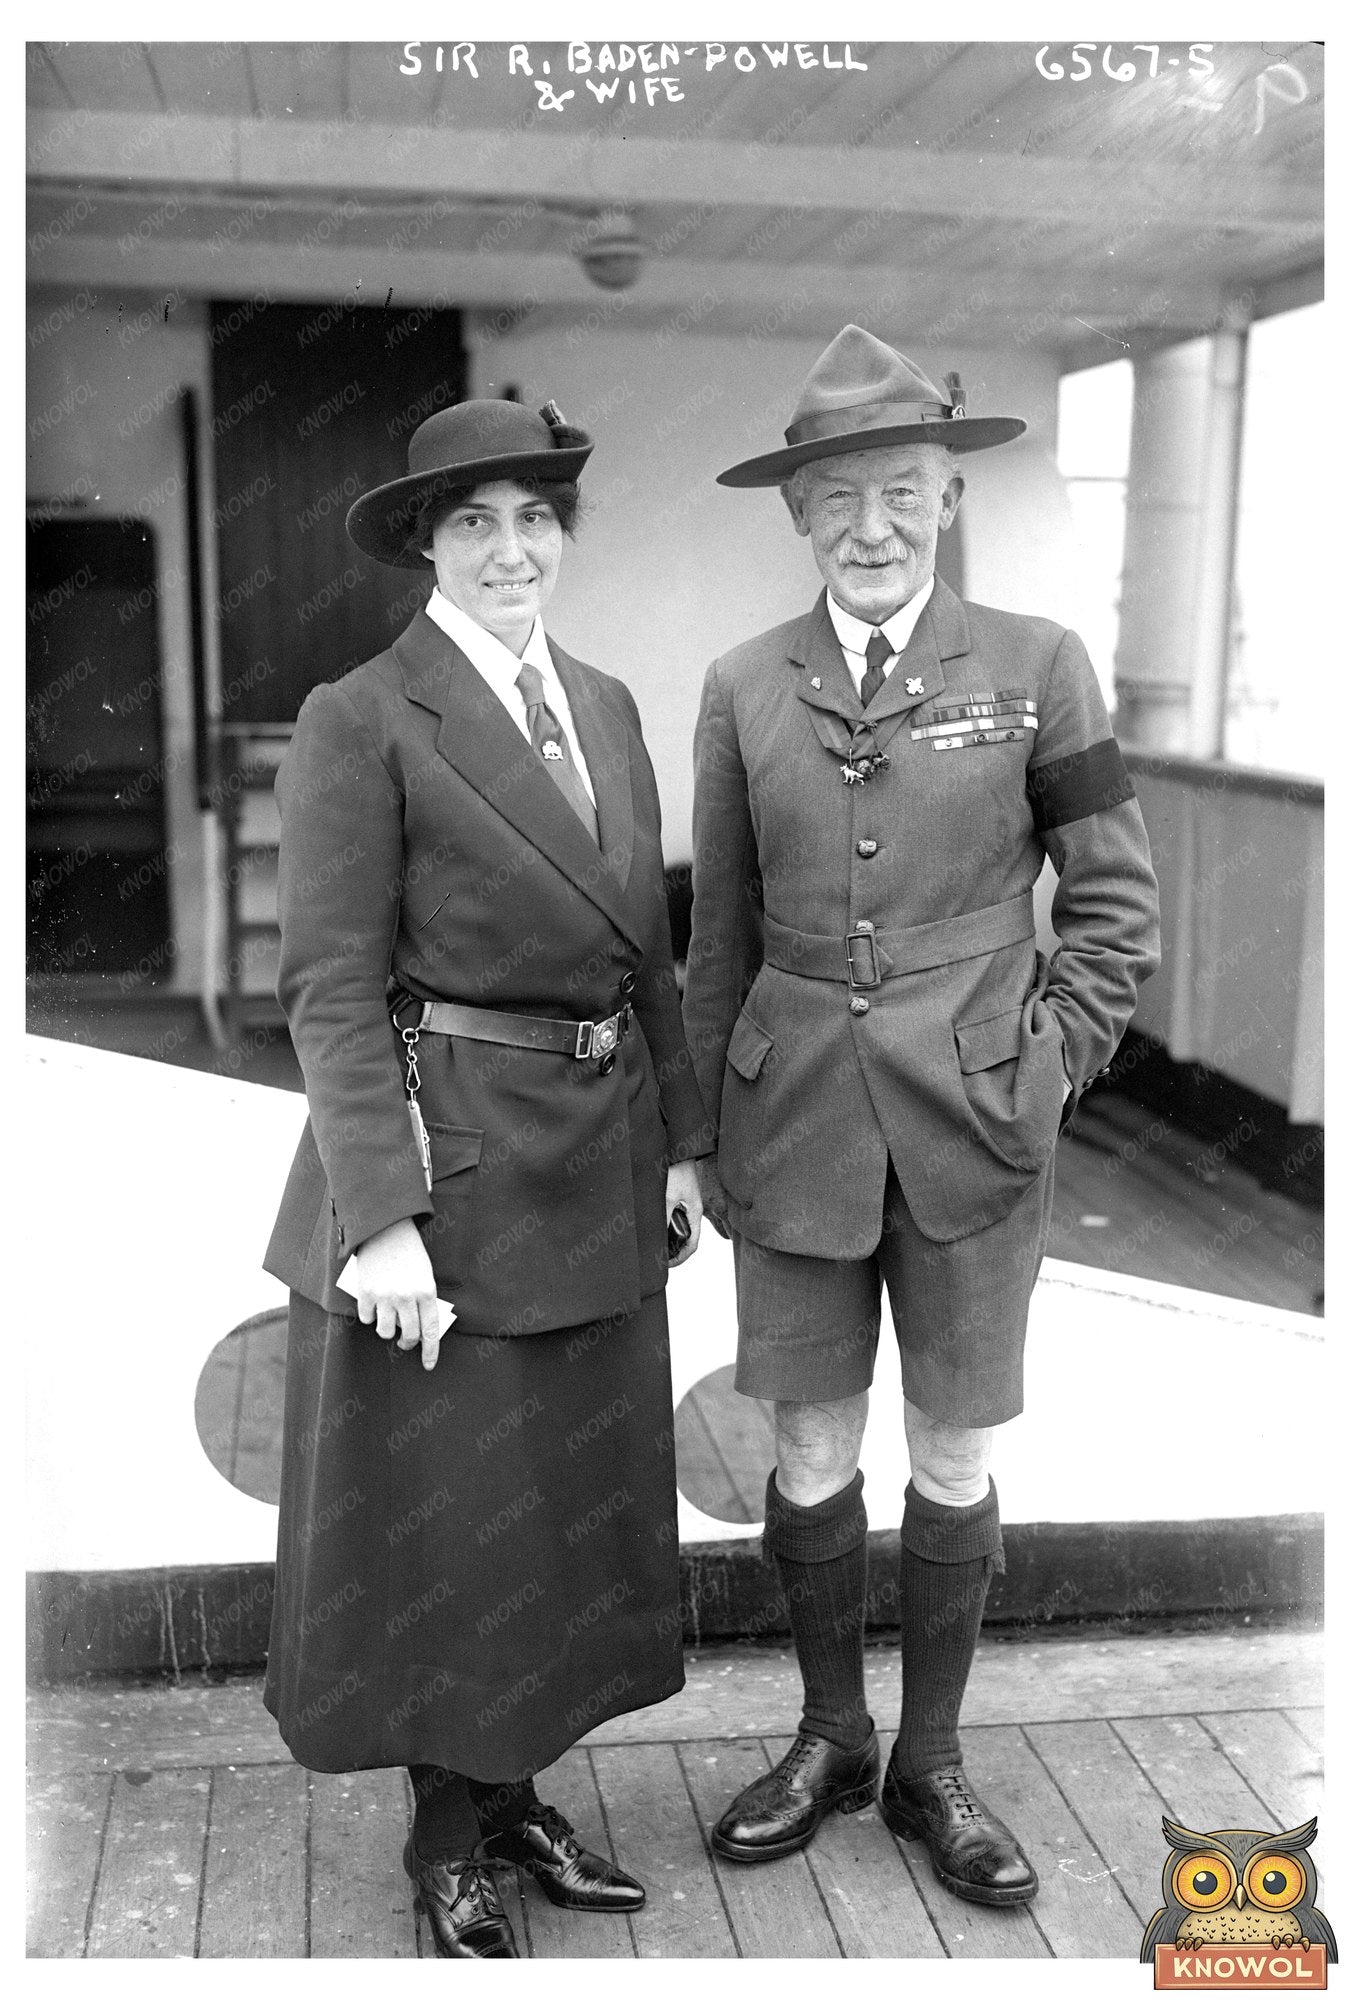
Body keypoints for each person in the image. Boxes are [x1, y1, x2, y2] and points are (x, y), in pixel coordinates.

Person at [683, 326, 1160, 1905]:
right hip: (790, 1118)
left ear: (948, 497)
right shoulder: (743, 684)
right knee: (808, 1442)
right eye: (835, 499)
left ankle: (928, 1761)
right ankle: (828, 1733)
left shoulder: (1038, 667)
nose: (869, 525)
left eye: (900, 491)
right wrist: (696, 1132)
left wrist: (1049, 1065)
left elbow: (1110, 911)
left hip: (976, 1128)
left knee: (950, 1450)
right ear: (796, 517)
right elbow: (720, 936)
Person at [261, 396, 709, 1957]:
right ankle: (445, 1838)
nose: (510, 549)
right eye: (474, 523)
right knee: (451, 1518)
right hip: (443, 1163)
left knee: (557, 1510)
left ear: (562, 536)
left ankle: (513, 1793)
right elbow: (325, 981)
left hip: (598, 1158)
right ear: (428, 547)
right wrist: (379, 1216)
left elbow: (647, 952)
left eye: (533, 518)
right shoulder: (363, 714)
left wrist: (683, 1145)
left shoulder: (603, 699)